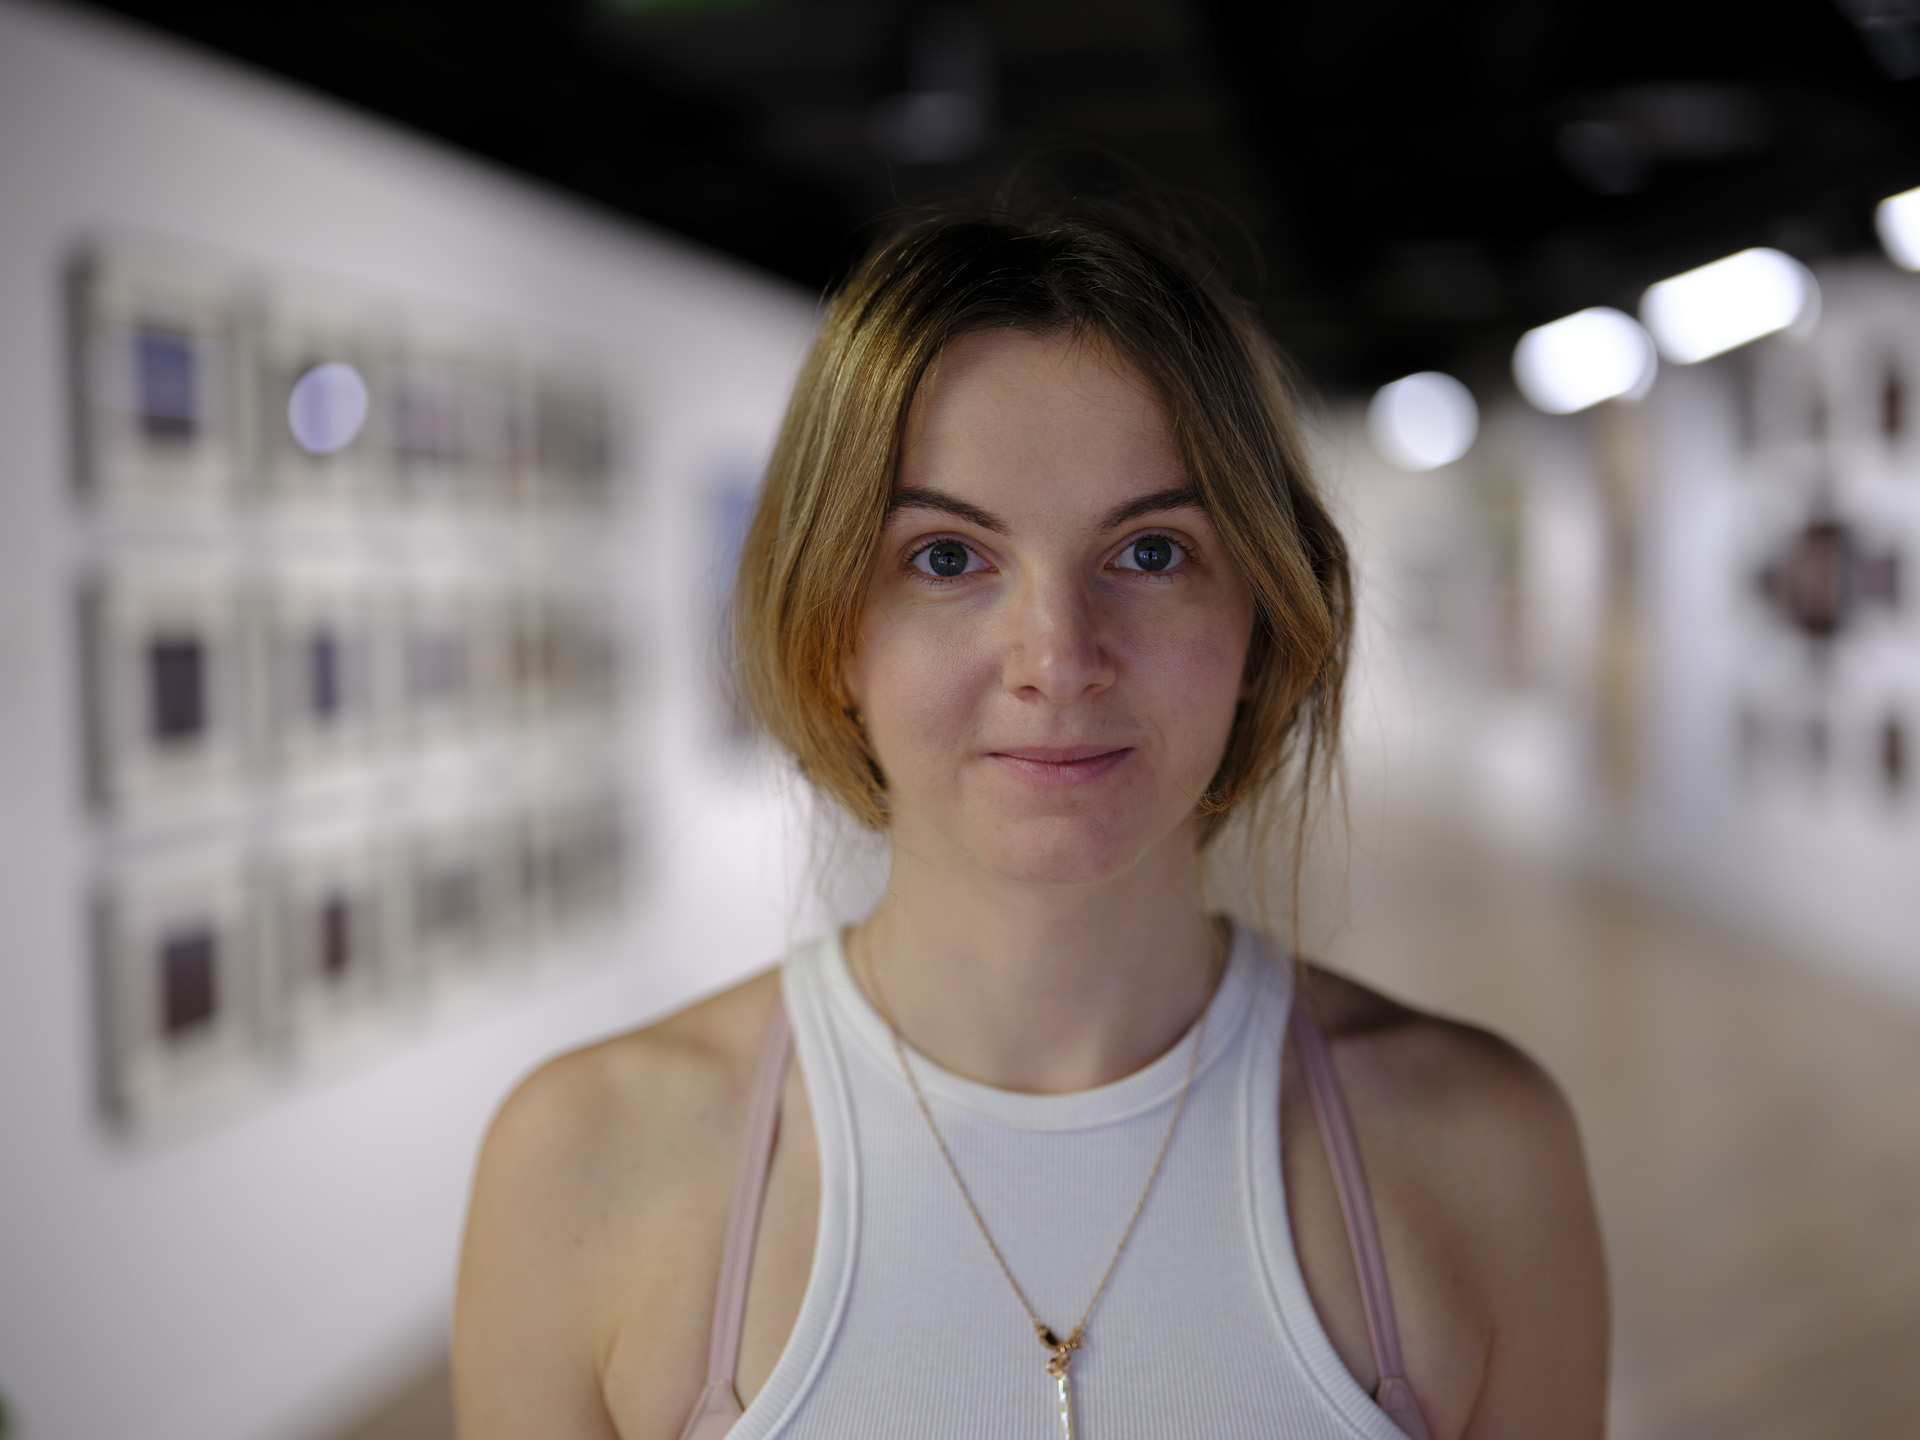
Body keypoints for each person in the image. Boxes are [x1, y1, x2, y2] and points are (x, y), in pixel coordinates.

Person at [452, 199, 1609, 1440]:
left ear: (1261, 622)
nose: (1057, 659)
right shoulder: (585, 1165)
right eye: (948, 558)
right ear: (832, 632)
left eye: (1153, 553)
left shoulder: (1482, 1154)